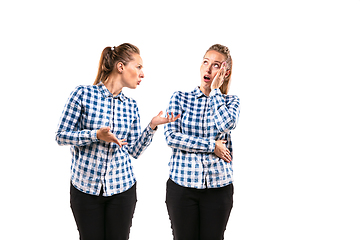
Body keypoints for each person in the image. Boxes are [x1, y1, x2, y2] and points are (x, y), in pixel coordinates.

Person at [55, 43, 179, 240]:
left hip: (122, 190)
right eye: (138, 67)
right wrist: (95, 135)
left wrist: (152, 125)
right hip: (85, 191)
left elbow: (134, 151)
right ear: (120, 67)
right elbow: (61, 136)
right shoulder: (83, 94)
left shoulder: (131, 106)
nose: (142, 74)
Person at [164, 44, 240, 240]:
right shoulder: (180, 98)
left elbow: (226, 124)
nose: (208, 69)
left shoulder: (231, 102)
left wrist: (215, 92)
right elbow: (171, 137)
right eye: (205, 62)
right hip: (182, 187)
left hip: (219, 189)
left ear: (225, 72)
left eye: (215, 65)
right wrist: (212, 146)